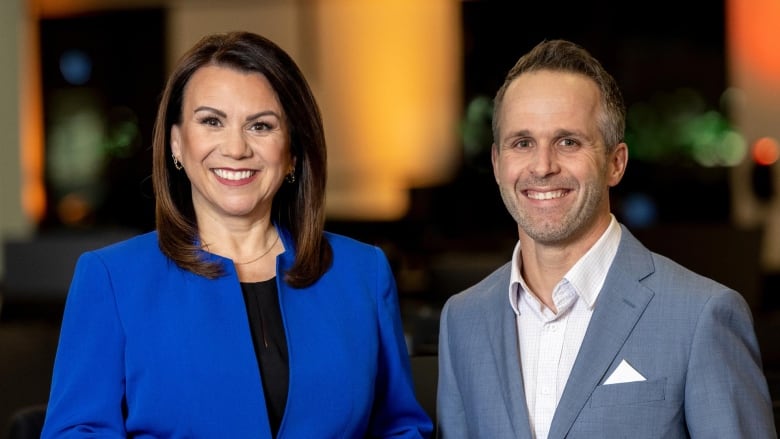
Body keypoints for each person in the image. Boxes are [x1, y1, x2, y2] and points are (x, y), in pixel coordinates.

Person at [40, 31, 433, 438]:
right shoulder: (111, 278)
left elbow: (399, 427)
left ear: (293, 152)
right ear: (177, 142)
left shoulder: (362, 272)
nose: (236, 147)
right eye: (211, 121)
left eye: (260, 126)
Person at [436, 39, 777, 438]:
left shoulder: (702, 315)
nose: (542, 166)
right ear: (497, 164)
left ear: (615, 163)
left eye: (568, 142)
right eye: (522, 143)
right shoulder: (462, 320)